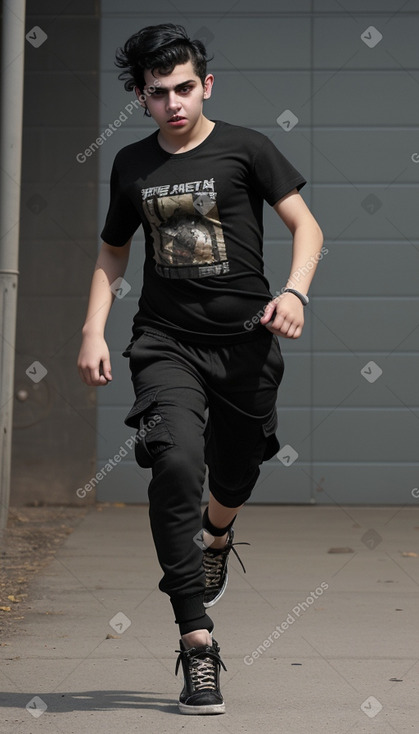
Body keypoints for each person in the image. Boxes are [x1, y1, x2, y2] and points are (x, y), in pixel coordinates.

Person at [77, 23, 324, 715]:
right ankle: (197, 644)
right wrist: (93, 329)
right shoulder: (130, 164)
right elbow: (112, 252)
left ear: (205, 84)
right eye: (158, 94)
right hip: (165, 343)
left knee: (236, 470)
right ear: (140, 97)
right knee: (176, 462)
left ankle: (218, 534)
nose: (174, 103)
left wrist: (295, 291)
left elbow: (306, 226)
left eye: (185, 88)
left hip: (247, 343)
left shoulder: (248, 148)